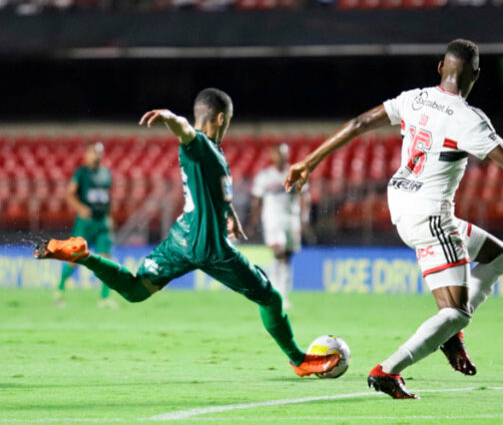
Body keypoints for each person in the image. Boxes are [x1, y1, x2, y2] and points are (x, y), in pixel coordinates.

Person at [285, 39, 503, 399]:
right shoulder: (468, 118)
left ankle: (448, 336)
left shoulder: (414, 98)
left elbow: (361, 122)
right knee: (457, 312)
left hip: (402, 203)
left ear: (441, 66)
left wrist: (308, 162)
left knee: (497, 255)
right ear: (476, 74)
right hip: (430, 215)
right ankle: (388, 371)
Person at [35, 88, 339, 378]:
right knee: (270, 298)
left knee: (136, 290)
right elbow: (186, 132)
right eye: (229, 120)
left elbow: (213, 191)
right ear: (222, 118)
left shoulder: (214, 155)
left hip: (181, 238)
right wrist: (170, 117)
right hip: (208, 245)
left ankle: (83, 255)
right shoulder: (202, 145)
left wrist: (229, 215)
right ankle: (299, 361)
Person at [55, 142, 118, 309]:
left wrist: (109, 218)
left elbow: (108, 198)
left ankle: (104, 298)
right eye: (93, 153)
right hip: (85, 223)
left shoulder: (106, 174)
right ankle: (60, 290)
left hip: (102, 221)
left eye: (99, 153)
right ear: (87, 154)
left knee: (106, 260)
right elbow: (70, 194)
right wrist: (80, 208)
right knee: (75, 259)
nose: (97, 156)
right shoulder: (81, 173)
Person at [249, 143, 310, 306]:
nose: (281, 157)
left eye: (284, 154)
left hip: (291, 218)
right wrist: (253, 221)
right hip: (272, 218)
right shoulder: (265, 176)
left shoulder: (295, 174)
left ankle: (281, 290)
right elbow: (257, 200)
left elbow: (305, 196)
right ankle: (278, 292)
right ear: (273, 155)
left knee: (287, 255)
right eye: (278, 154)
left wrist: (305, 217)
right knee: (280, 250)